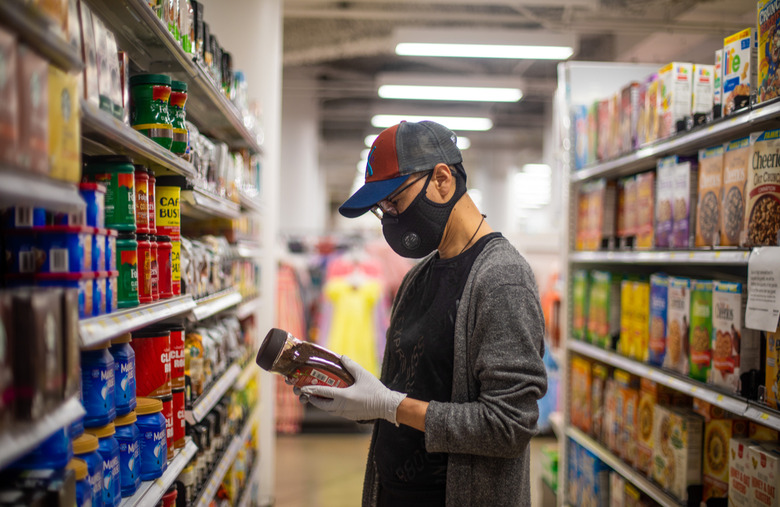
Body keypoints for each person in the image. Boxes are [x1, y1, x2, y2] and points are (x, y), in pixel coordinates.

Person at [296, 120, 547, 507]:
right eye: (382, 210)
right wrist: (357, 399)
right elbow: (411, 392)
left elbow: (508, 426)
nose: (391, 217)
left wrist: (389, 406)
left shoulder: (501, 279)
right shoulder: (417, 278)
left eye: (394, 201)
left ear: (442, 179)